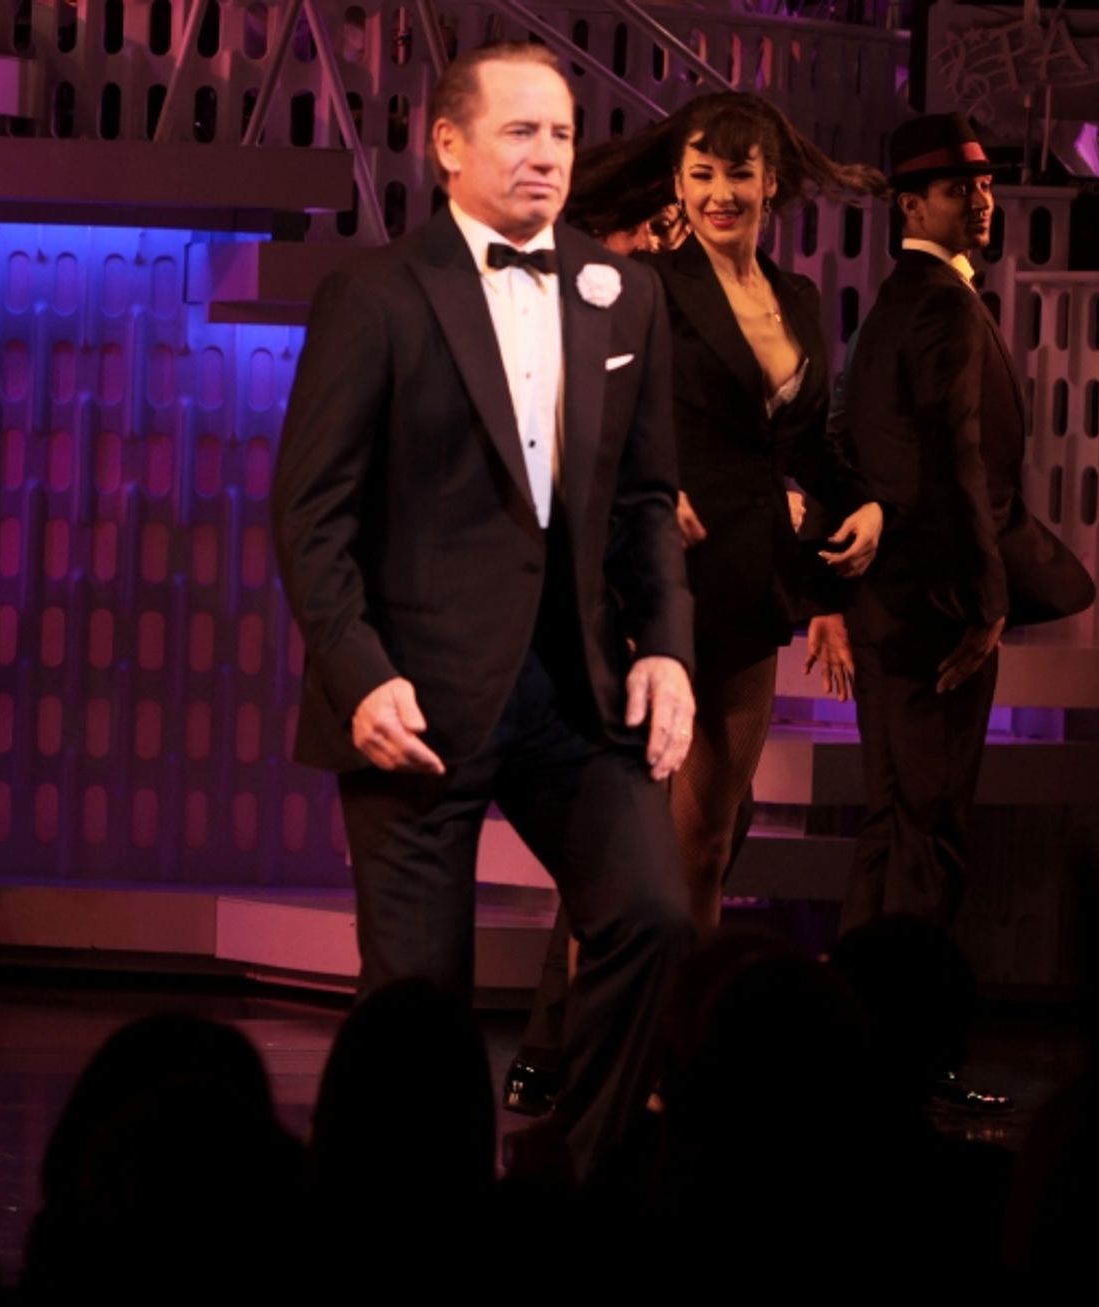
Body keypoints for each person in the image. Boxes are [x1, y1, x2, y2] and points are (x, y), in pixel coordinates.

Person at [271, 41, 696, 1179]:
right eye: (520, 131)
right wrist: (359, 672)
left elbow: (648, 502)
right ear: (447, 145)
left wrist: (668, 649)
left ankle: (577, 1173)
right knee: (416, 1006)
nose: (546, 155)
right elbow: (310, 515)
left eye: (560, 133)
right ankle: (413, 1214)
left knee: (654, 915)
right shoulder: (374, 294)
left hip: (575, 690)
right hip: (417, 697)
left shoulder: (625, 290)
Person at [506, 94, 888, 1114]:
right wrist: (644, 481)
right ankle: (600, 1067)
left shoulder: (800, 300)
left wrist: (866, 510)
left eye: (740, 173)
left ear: (773, 182)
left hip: (752, 593)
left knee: (708, 844)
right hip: (651, 594)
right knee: (626, 857)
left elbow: (810, 449)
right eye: (704, 173)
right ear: (678, 183)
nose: (722, 193)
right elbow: (572, 401)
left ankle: (677, 1061)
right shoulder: (644, 288)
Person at [835, 112, 1094, 942]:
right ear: (911, 206)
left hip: (893, 604)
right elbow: (959, 464)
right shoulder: (939, 306)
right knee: (928, 835)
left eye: (984, 186)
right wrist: (987, 602)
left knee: (893, 828)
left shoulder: (894, 303)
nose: (981, 202)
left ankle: (870, 1043)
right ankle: (910, 1053)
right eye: (958, 190)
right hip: (937, 607)